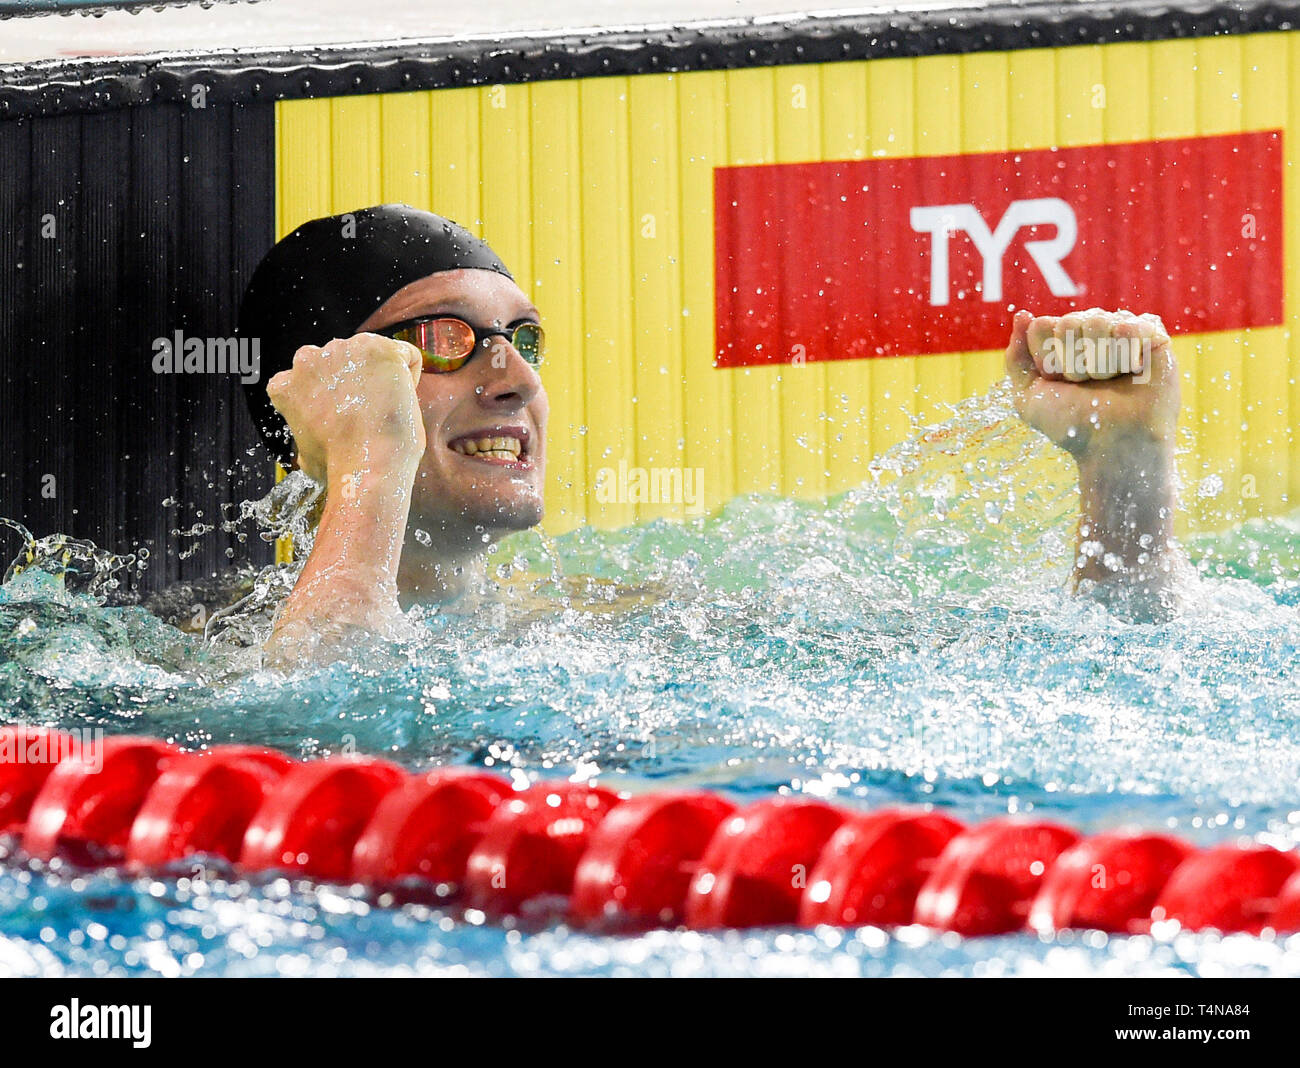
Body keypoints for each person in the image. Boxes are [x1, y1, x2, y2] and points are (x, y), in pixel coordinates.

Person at [238, 204, 1184, 663]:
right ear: (321, 400)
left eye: (524, 340)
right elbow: (330, 715)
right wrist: (370, 460)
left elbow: (1102, 648)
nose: (516, 378)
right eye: (445, 341)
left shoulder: (620, 616)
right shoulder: (197, 642)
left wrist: (1122, 475)